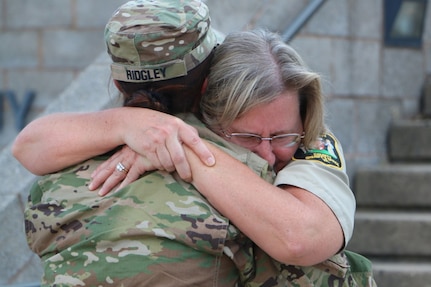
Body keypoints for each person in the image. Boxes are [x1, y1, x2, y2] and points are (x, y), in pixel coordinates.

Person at [14, 1, 376, 286]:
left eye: (282, 136)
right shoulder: (145, 131)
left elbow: (302, 237)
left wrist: (181, 146)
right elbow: (26, 146)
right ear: (207, 98)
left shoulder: (312, 141)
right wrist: (134, 124)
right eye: (248, 138)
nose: (268, 153)